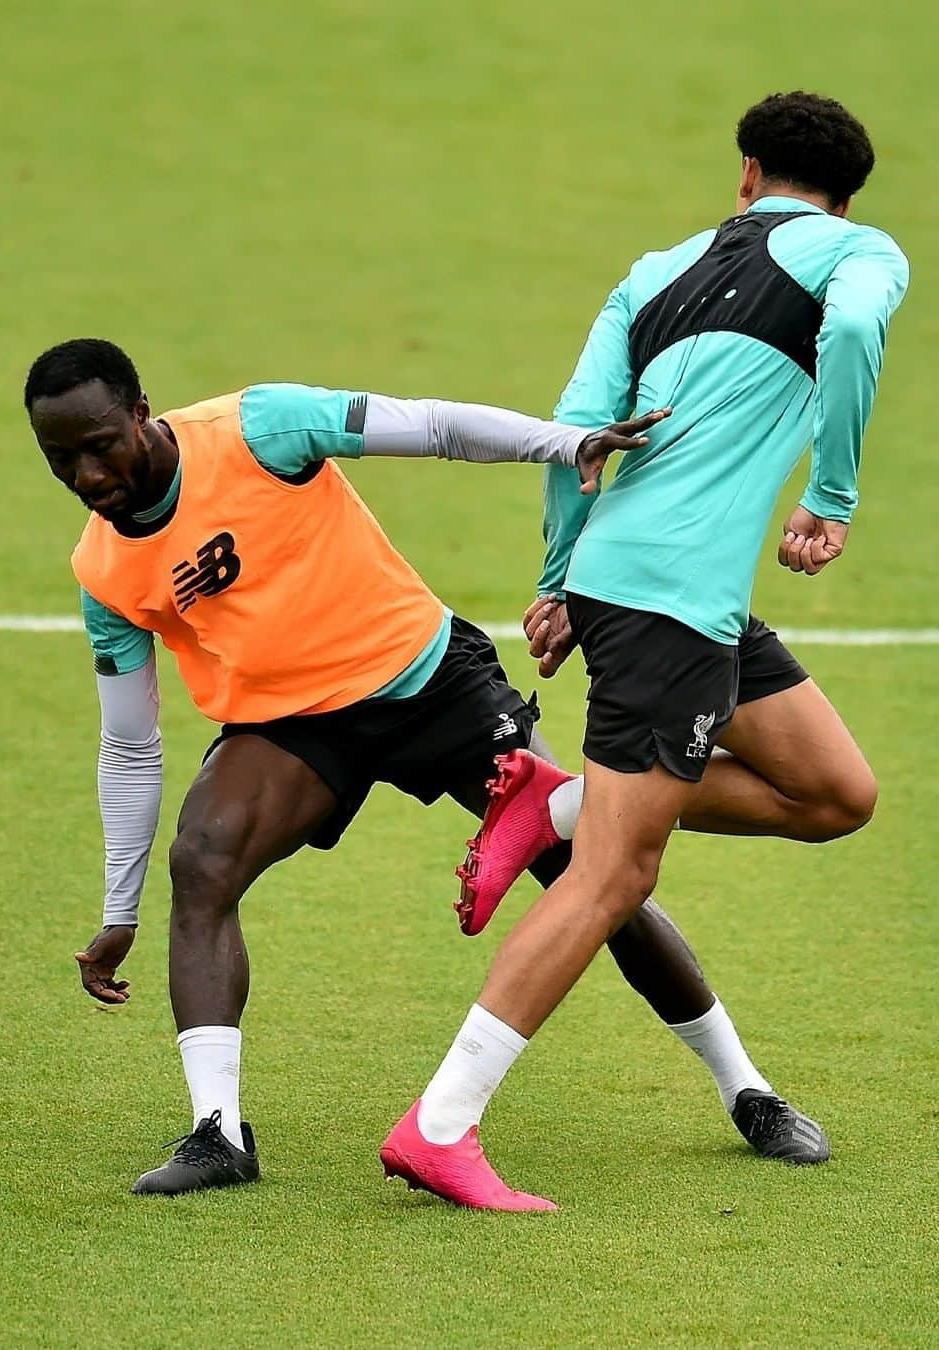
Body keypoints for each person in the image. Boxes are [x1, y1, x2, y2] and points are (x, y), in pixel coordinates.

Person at [26, 338, 817, 1199]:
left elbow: (433, 426)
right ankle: (218, 1133)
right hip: (289, 726)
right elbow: (132, 744)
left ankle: (747, 1089)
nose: (86, 473)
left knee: (594, 870)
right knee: (203, 859)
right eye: (60, 457)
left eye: (100, 443)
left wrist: (565, 442)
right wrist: (117, 906)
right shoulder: (102, 571)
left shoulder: (258, 429)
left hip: (426, 677)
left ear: (142, 412)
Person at [382, 91, 909, 1210]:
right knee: (618, 877)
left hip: (669, 593)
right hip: (670, 606)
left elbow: (574, 432)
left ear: (748, 174)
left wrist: (558, 580)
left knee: (835, 791)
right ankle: (441, 1126)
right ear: (845, 194)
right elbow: (857, 332)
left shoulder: (651, 272)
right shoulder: (861, 252)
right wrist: (833, 494)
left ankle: (553, 806)